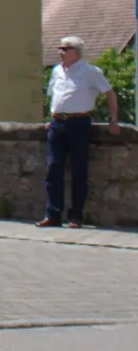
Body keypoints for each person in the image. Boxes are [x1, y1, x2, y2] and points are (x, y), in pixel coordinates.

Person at [41, 36, 120, 228]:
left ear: (76, 52)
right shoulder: (56, 71)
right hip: (57, 123)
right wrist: (51, 117)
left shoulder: (90, 71)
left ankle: (75, 216)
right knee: (53, 168)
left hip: (79, 122)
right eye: (59, 48)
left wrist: (113, 119)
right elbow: (54, 95)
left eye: (65, 49)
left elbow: (109, 93)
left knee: (79, 170)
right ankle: (53, 214)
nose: (60, 52)